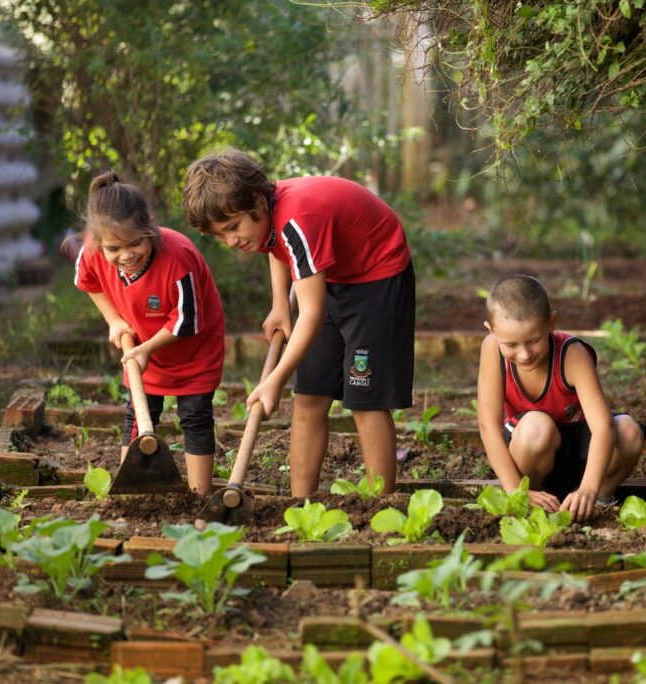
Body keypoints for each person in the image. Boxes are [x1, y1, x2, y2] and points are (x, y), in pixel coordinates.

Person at [182, 148, 414, 497]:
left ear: (258, 202)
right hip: (331, 272)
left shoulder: (297, 217)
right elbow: (276, 247)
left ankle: (381, 506)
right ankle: (299, 504)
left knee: (365, 399)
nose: (231, 241)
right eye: (220, 235)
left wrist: (274, 380)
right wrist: (279, 304)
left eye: (233, 228)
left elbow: (312, 312)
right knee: (308, 397)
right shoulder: (264, 217)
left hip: (376, 276)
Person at [73, 170, 225, 495]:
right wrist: (114, 320)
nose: (126, 255)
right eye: (115, 248)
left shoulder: (177, 257)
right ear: (100, 242)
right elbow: (88, 281)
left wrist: (144, 350)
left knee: (195, 416)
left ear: (151, 228)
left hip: (194, 350)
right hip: (143, 347)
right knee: (138, 415)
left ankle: (199, 495)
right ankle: (130, 492)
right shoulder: (94, 249)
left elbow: (185, 320)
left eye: (135, 243)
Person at [477, 275, 645, 522]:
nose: (524, 354)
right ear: (491, 331)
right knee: (537, 426)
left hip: (580, 458)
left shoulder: (572, 354)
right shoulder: (491, 348)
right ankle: (531, 499)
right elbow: (488, 426)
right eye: (511, 344)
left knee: (628, 431)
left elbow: (602, 427)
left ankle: (596, 500)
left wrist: (589, 488)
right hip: (531, 453)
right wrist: (515, 490)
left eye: (534, 340)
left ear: (551, 323)